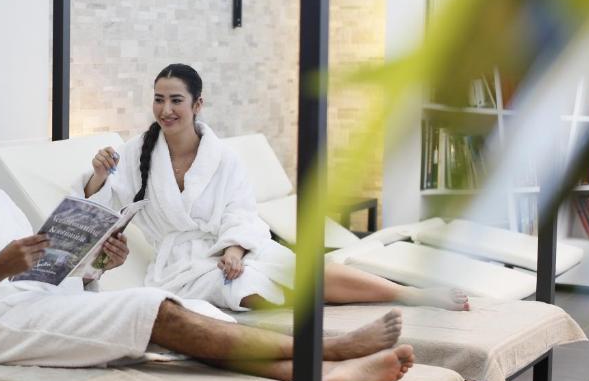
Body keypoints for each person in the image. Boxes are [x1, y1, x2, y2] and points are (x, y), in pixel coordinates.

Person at [0, 82, 414, 381]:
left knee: (188, 313)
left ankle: (323, 379)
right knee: (153, 308)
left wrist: (94, 268)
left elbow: (43, 269)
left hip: (39, 304)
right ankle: (329, 351)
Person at [83, 63, 470, 313]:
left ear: (198, 104)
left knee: (301, 270)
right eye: (158, 100)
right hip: (181, 267)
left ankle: (410, 295)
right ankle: (314, 317)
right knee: (244, 285)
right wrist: (99, 174)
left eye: (176, 100)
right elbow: (106, 204)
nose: (165, 110)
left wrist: (234, 248)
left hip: (230, 248)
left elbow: (241, 211)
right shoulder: (136, 152)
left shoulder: (223, 157)